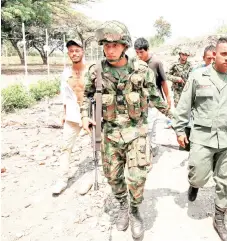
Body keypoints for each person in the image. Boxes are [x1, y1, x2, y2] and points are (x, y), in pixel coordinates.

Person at [80, 21, 172, 239]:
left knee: (138, 176)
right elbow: (86, 96)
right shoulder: (96, 71)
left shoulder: (141, 70)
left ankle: (134, 210)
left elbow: (155, 97)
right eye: (106, 45)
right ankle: (122, 204)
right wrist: (85, 116)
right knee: (113, 177)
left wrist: (174, 117)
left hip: (136, 131)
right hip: (109, 134)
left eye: (114, 45)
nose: (109, 49)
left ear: (124, 46)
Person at [172, 36, 227, 241]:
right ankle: (194, 185)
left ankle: (219, 219)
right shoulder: (198, 76)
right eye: (223, 53)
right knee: (198, 175)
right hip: (201, 137)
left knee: (226, 181)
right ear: (214, 54)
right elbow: (184, 105)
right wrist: (180, 130)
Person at [52, 39, 88, 195]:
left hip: (91, 116)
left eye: (77, 50)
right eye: (71, 51)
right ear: (68, 54)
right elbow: (65, 95)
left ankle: (102, 177)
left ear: (82, 51)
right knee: (65, 148)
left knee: (101, 147)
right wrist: (64, 113)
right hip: (73, 115)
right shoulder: (66, 73)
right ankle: (62, 180)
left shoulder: (91, 70)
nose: (74, 53)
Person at [134, 37, 172, 132]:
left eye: (141, 52)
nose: (139, 55)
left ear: (148, 50)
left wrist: (168, 98)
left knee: (151, 127)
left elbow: (163, 82)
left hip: (153, 100)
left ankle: (152, 146)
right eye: (137, 52)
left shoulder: (156, 62)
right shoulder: (135, 63)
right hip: (139, 101)